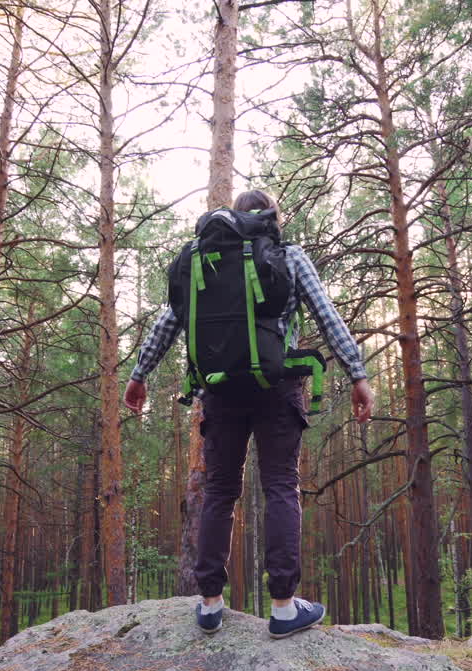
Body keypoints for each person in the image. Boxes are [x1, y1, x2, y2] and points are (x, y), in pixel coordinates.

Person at [123, 189, 375, 638]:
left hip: (219, 388)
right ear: (273, 219)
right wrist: (358, 375)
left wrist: (139, 373)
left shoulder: (204, 260)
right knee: (281, 485)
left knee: (219, 491)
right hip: (278, 386)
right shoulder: (287, 255)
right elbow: (327, 314)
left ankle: (209, 603)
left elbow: (170, 320)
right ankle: (282, 607)